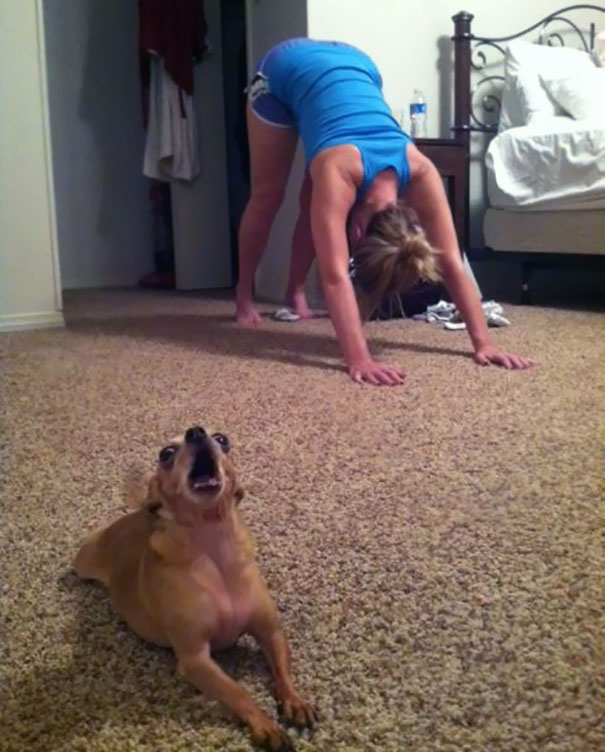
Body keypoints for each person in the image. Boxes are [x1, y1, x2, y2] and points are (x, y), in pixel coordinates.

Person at [235, 38, 533, 386]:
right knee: (268, 195)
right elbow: (335, 276)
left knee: (313, 204)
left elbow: (451, 262)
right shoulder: (340, 170)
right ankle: (243, 294)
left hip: (358, 63)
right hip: (285, 66)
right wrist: (358, 358)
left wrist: (484, 344)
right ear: (357, 232)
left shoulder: (421, 170)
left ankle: (295, 293)